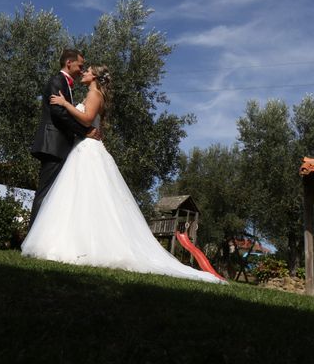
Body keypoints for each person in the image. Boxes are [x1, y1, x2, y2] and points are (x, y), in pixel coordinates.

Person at [22, 65, 225, 284]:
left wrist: (64, 104)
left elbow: (87, 118)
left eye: (88, 70)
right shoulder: (93, 93)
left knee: (83, 196)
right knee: (81, 199)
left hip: (88, 150)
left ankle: (81, 247)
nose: (84, 73)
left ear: (95, 77)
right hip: (84, 147)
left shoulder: (93, 94)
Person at [29, 49, 99, 230]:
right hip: (52, 144)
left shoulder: (67, 85)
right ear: (69, 63)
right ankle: (31, 238)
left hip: (60, 145)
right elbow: (59, 114)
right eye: (80, 65)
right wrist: (84, 132)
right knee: (45, 192)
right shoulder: (57, 81)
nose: (81, 70)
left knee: (52, 193)